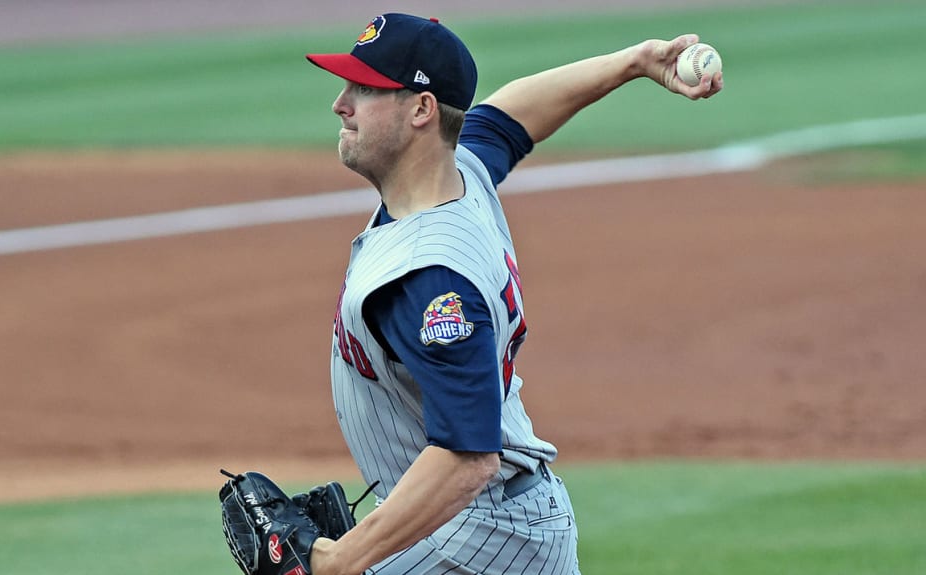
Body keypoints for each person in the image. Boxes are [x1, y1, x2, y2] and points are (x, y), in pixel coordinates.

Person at [304, 13, 722, 575]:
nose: (341, 103)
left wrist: (340, 559)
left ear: (422, 111)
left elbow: (467, 459)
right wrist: (631, 63)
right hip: (484, 520)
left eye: (365, 89)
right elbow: (512, 114)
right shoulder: (462, 174)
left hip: (478, 536)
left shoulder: (432, 280)